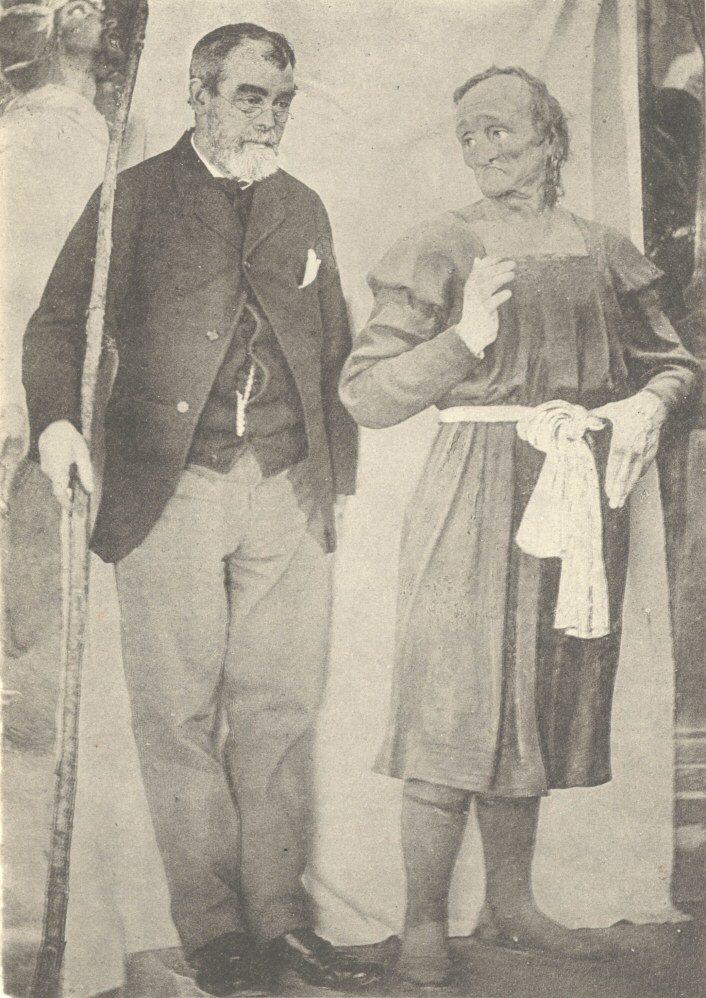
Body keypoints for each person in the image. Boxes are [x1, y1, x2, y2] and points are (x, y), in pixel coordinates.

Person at [23, 21, 381, 996]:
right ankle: (215, 932)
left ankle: (281, 921)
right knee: (178, 716)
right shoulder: (133, 198)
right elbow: (58, 324)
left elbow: (332, 339)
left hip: (287, 487)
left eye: (280, 100)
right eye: (249, 96)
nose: (268, 117)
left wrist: (332, 479)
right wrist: (57, 425)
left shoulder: (302, 205)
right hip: (167, 485)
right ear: (200, 94)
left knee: (280, 711)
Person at [339, 66, 702, 987]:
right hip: (472, 493)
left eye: (499, 128)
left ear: (551, 136)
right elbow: (367, 393)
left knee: (537, 700)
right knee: (452, 699)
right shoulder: (442, 243)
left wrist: (652, 401)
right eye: (467, 134)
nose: (481, 148)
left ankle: (512, 907)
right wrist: (462, 336)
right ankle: (424, 922)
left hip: (577, 491)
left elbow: (675, 362)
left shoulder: (605, 248)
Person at [0, 3, 200, 996]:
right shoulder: (31, 139)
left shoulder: (116, 145)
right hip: (25, 431)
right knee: (30, 689)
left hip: (70, 438)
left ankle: (86, 938)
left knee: (66, 680)